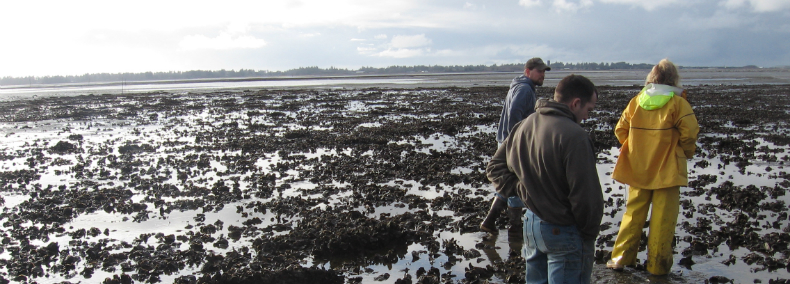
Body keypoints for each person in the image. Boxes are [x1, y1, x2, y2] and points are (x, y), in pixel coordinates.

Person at [487, 74, 604, 284]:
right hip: (564, 229)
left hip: (532, 225)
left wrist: (522, 190)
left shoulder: (524, 125)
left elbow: (495, 168)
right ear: (575, 103)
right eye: (589, 110)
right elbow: (585, 196)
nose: (588, 116)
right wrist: (589, 233)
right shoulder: (575, 136)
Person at [606, 59, 699, 275]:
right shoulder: (678, 104)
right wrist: (685, 152)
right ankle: (657, 267)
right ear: (674, 78)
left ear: (652, 77)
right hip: (668, 170)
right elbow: (690, 133)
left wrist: (635, 149)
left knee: (632, 214)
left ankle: (620, 259)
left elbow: (620, 130)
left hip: (638, 169)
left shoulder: (637, 101)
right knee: (663, 220)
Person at [481, 57, 551, 234]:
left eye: (544, 71)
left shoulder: (519, 86)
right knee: (518, 182)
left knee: (511, 182)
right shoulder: (525, 89)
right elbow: (514, 115)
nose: (543, 75)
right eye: (539, 71)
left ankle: (501, 223)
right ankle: (513, 226)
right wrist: (518, 142)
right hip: (512, 144)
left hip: (506, 142)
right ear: (528, 71)